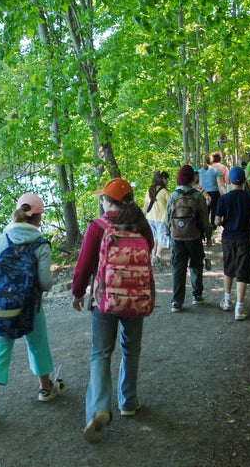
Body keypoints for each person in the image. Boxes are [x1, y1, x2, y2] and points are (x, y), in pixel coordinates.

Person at [71, 178, 154, 443]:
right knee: (131, 348)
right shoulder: (141, 224)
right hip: (136, 299)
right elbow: (148, 251)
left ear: (107, 201)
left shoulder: (98, 227)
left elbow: (84, 265)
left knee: (100, 353)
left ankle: (98, 408)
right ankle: (128, 401)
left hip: (104, 299)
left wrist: (77, 292)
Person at [0, 193, 64, 424]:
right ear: (37, 218)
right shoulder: (41, 244)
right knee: (38, 344)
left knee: (0, 350)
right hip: (30, 306)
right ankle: (45, 389)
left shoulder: (3, 238)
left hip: (2, 307)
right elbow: (45, 283)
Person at [215, 167, 250, 321]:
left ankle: (227, 300)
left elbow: (217, 221)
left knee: (228, 268)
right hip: (244, 238)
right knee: (243, 270)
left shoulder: (224, 199)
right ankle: (239, 307)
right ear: (244, 180)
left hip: (228, 238)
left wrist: (226, 220)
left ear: (229, 181)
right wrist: (248, 218)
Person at [165, 165, 211, 311]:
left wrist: (168, 231)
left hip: (176, 237)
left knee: (178, 267)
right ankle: (197, 295)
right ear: (193, 178)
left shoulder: (173, 196)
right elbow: (204, 220)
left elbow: (167, 219)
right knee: (196, 264)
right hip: (194, 236)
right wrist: (208, 236)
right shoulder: (198, 196)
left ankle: (176, 302)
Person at [143, 171, 170, 267]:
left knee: (154, 238)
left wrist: (143, 217)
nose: (167, 181)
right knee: (162, 238)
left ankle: (153, 257)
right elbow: (170, 205)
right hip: (161, 218)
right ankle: (158, 256)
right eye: (166, 178)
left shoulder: (150, 190)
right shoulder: (165, 192)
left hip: (150, 218)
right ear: (162, 179)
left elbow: (146, 205)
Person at [199, 156, 221, 230]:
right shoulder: (216, 171)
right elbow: (220, 184)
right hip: (214, 192)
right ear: (212, 162)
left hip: (203, 193)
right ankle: (214, 227)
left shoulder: (199, 172)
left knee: (205, 211)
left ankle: (205, 227)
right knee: (214, 210)